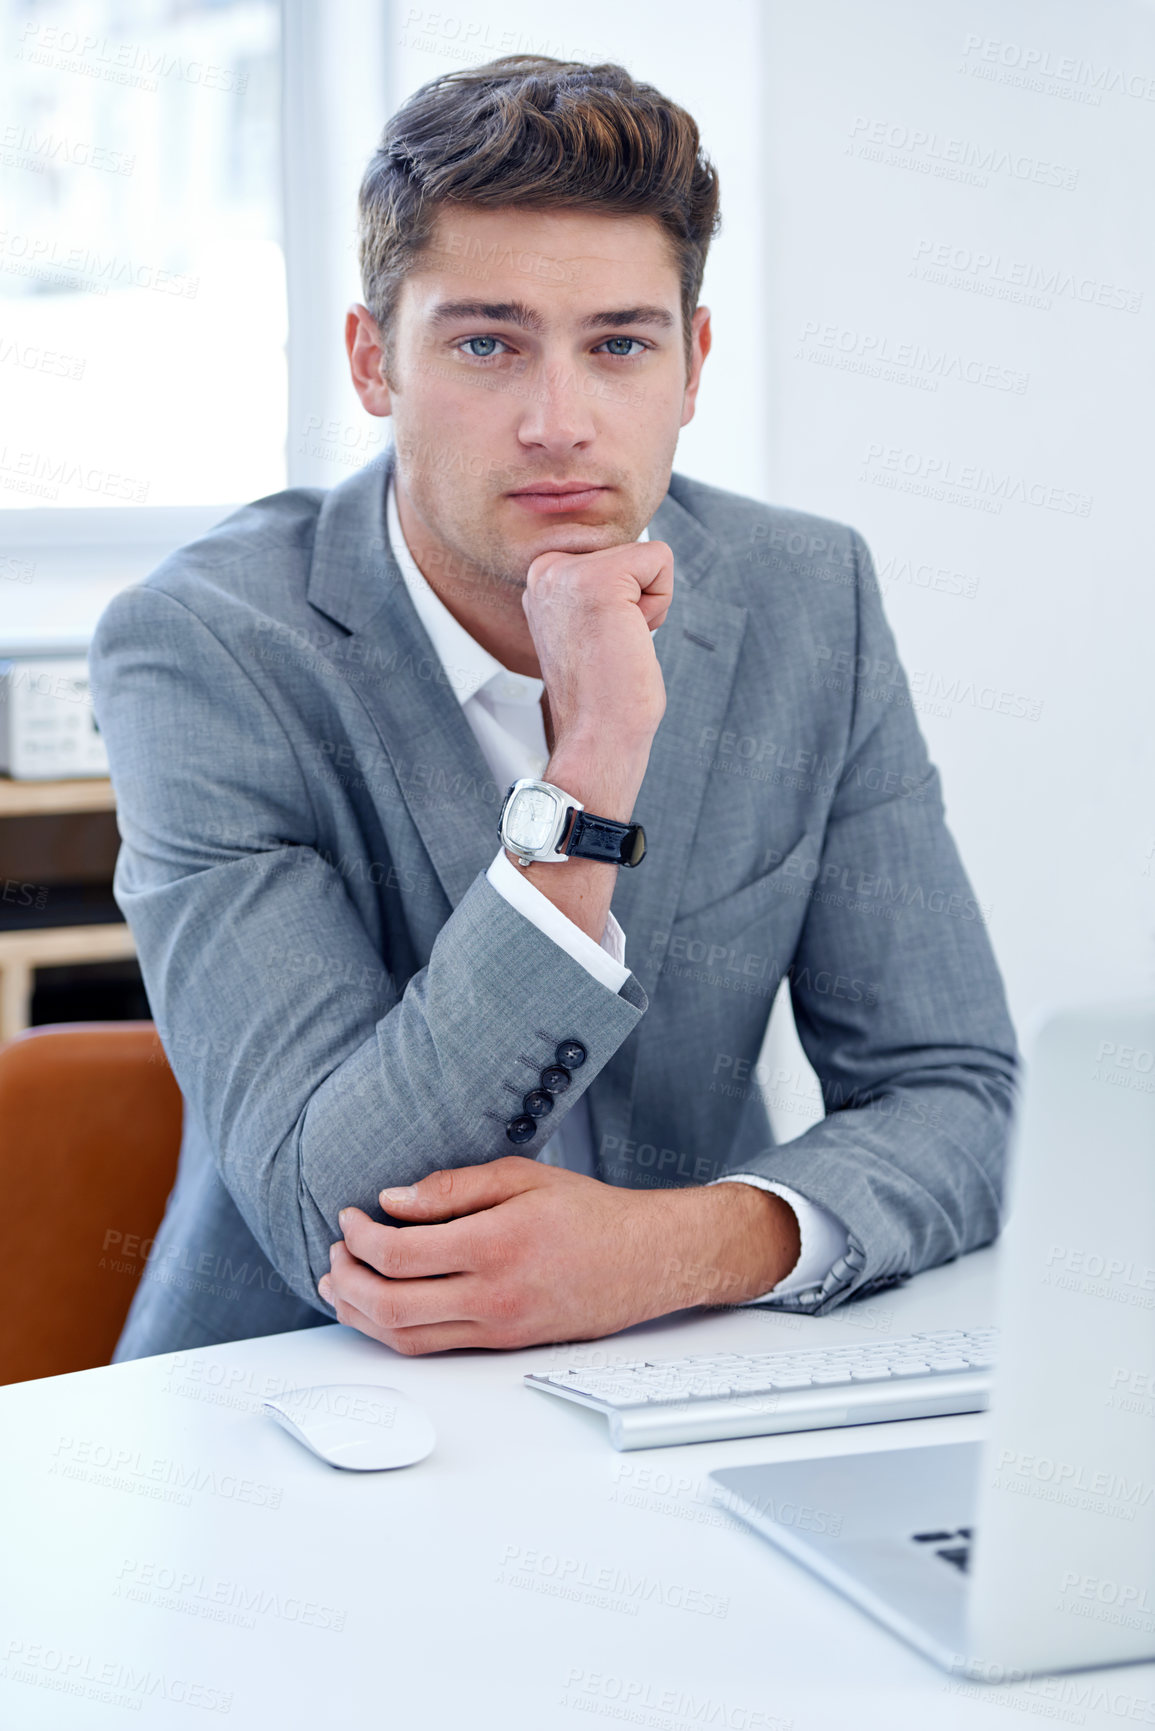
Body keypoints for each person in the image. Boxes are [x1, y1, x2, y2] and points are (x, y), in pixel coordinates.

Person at [89, 55, 1017, 1361]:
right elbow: (340, 1222)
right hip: (298, 1401)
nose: (559, 423)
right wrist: (594, 768)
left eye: (619, 346)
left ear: (691, 366)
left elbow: (961, 1100)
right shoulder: (207, 649)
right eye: (487, 344)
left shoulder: (810, 600)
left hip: (685, 1358)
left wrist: (679, 1246)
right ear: (373, 361)